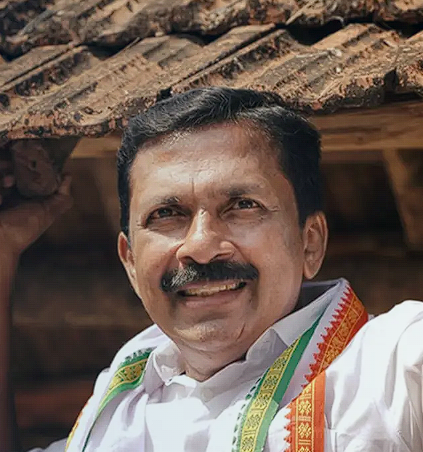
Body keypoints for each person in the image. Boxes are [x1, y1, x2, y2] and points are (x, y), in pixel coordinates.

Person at [0, 87, 422, 452]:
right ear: (129, 262)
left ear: (309, 243)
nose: (200, 247)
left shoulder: (391, 367)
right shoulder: (114, 416)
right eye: (166, 214)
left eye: (242, 206)